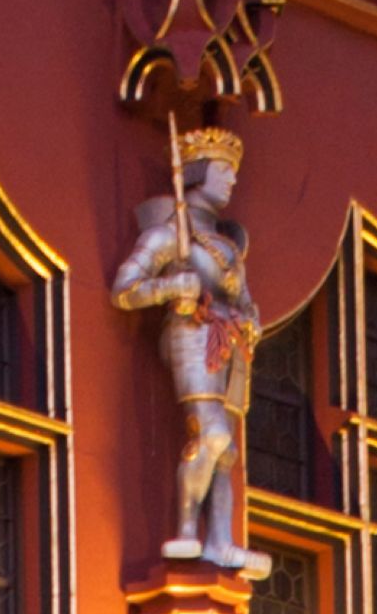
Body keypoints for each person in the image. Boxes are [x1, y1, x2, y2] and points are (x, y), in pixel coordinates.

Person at [108, 129, 265, 573]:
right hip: (191, 334)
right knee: (210, 434)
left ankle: (221, 540)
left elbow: (245, 300)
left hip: (229, 340)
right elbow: (124, 288)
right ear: (197, 173)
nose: (232, 181)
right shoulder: (171, 235)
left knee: (227, 450)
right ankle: (186, 531)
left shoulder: (229, 246)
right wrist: (172, 285)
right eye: (223, 171)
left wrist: (250, 320)